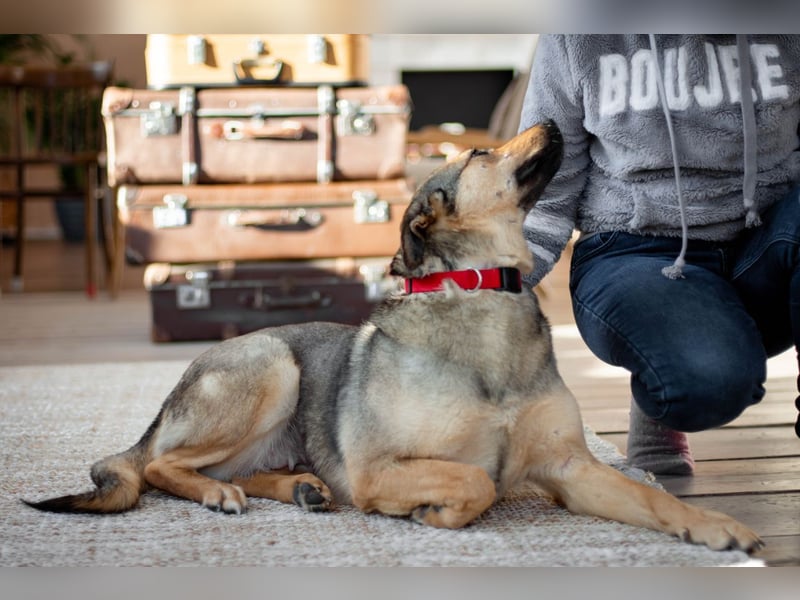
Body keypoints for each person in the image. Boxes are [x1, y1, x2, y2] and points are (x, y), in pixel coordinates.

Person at [518, 34, 800, 475]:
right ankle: (661, 372)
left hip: (767, 242)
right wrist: (494, 287)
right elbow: (546, 190)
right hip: (637, 247)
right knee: (706, 384)